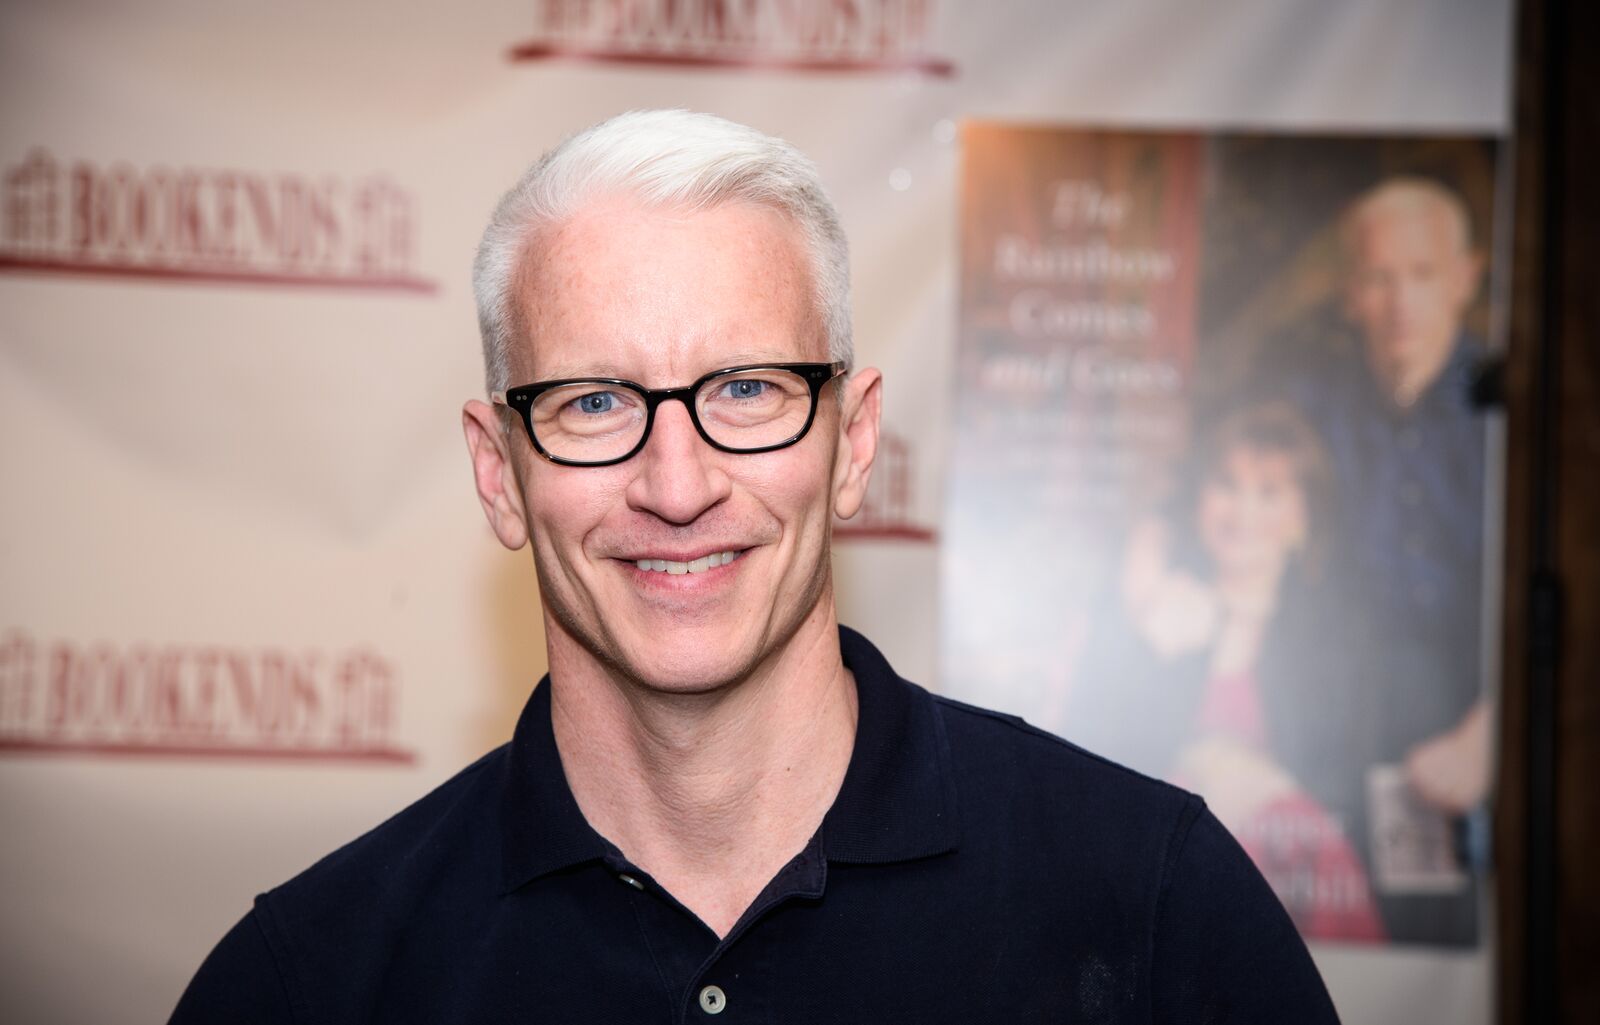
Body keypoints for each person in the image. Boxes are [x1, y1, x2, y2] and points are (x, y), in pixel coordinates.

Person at [169, 110, 1338, 1023]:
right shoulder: (307, 982)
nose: (676, 486)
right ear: (496, 469)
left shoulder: (1154, 907)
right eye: (591, 400)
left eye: (745, 390)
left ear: (853, 444)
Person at [1257, 176, 1492, 944]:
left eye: (1422, 276)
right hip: (1337, 721)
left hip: (1470, 728)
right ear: (1351, 292)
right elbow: (1220, 473)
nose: (1401, 303)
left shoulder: (1518, 406)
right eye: (1379, 278)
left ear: (1466, 277)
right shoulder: (1311, 402)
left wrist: (1494, 730)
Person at [1071, 403, 1385, 942]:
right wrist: (1148, 640)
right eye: (1227, 485)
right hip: (1167, 840)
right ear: (1198, 502)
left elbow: (1351, 773)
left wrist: (1264, 797)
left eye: (1270, 492)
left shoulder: (1336, 636)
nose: (1244, 510)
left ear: (1304, 517)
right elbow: (1091, 756)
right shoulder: (1159, 612)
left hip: (1290, 854)